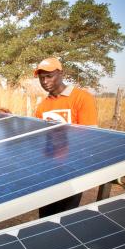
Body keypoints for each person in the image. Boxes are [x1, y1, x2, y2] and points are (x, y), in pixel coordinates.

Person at [34, 57, 98, 217]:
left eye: (49, 76)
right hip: (48, 168)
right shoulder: (42, 106)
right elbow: (39, 138)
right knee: (45, 217)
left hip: (72, 168)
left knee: (64, 218)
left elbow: (90, 136)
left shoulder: (82, 98)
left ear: (61, 73)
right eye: (41, 78)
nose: (45, 81)